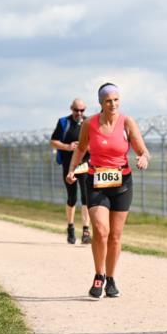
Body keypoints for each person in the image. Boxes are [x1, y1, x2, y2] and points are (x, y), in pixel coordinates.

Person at [67, 82, 150, 298]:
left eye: (116, 100)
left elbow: (143, 151)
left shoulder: (127, 122)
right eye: (108, 101)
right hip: (96, 182)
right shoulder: (90, 124)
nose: (113, 104)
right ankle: (99, 274)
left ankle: (111, 279)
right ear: (101, 103)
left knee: (115, 235)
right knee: (101, 231)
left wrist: (142, 158)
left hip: (122, 183)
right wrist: (72, 170)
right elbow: (82, 148)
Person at [50, 98, 91, 244]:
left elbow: (95, 144)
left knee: (87, 197)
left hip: (86, 164)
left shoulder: (89, 122)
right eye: (76, 110)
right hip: (69, 166)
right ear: (71, 109)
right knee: (72, 198)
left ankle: (86, 230)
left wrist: (85, 147)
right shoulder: (63, 123)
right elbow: (53, 142)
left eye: (82, 110)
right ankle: (70, 227)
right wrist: (68, 147)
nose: (79, 113)